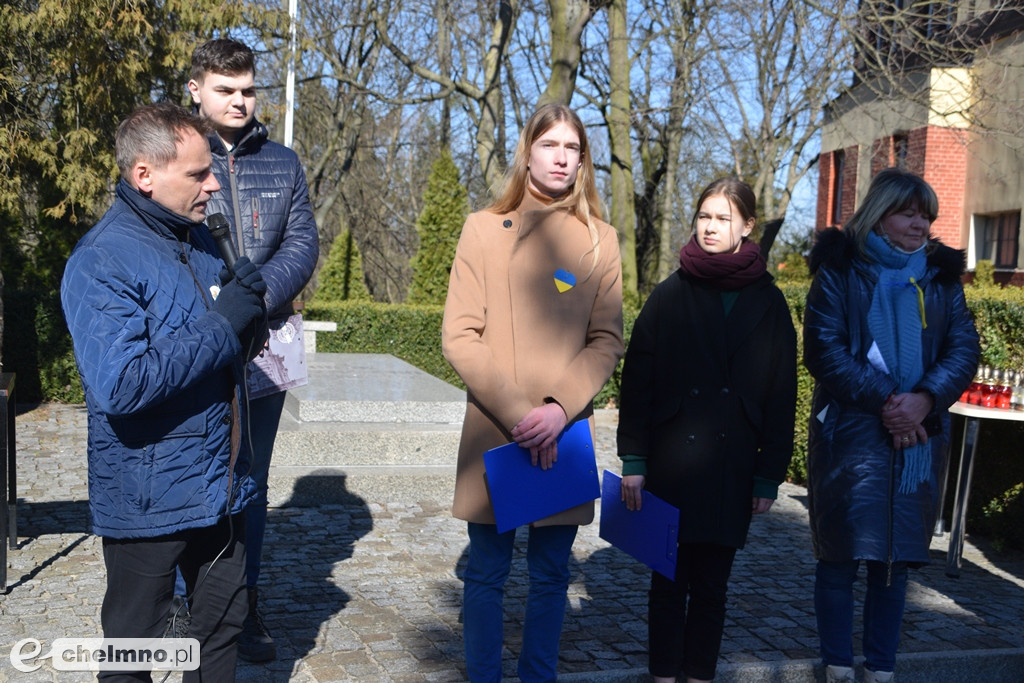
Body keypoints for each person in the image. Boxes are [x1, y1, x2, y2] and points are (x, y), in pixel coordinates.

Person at [60, 102, 268, 681]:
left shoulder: (200, 240)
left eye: (212, 170)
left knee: (220, 637)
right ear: (143, 175)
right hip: (148, 500)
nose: (213, 184)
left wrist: (247, 322)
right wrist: (222, 324)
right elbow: (121, 385)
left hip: (221, 488)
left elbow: (221, 356)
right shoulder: (100, 260)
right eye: (199, 174)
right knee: (135, 654)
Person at [441, 103, 624, 682]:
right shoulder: (482, 229)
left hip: (564, 431)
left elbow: (606, 339)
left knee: (550, 577)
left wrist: (556, 410)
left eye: (572, 148)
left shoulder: (602, 241)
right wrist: (524, 415)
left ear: (583, 160)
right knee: (487, 576)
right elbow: (459, 335)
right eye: (550, 145)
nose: (561, 157)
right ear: (529, 152)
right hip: (497, 431)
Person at [616, 177, 797, 683]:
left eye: (722, 218)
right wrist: (634, 460)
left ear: (746, 226)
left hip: (731, 465)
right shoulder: (671, 294)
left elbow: (782, 396)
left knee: (713, 588)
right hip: (672, 463)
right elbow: (638, 382)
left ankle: (698, 677)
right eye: (704, 216)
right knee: (667, 584)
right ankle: (662, 677)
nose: (711, 226)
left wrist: (768, 476)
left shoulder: (770, 304)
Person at [803, 168, 980, 683]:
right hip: (851, 438)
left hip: (918, 440)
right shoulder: (839, 271)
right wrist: (891, 402)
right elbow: (824, 350)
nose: (919, 224)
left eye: (926, 215)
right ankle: (836, 665)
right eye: (908, 213)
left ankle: (881, 670)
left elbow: (964, 347)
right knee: (839, 558)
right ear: (879, 214)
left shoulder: (942, 280)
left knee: (896, 563)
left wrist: (923, 400)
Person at [185, 37, 320, 662]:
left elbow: (301, 245)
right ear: (196, 89)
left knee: (252, 479)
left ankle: (246, 600)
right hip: (198, 336)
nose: (239, 101)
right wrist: (217, 310)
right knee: (194, 471)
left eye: (247, 90)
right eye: (224, 89)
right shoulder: (174, 153)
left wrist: (255, 299)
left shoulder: (283, 162)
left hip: (265, 343)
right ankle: (191, 601)